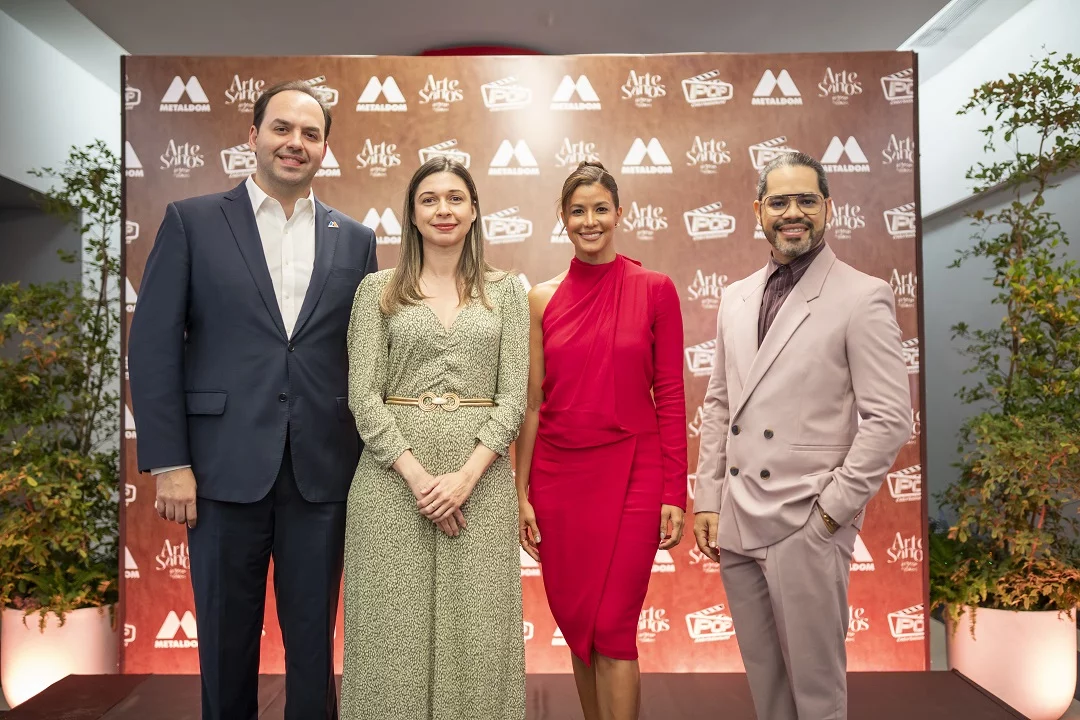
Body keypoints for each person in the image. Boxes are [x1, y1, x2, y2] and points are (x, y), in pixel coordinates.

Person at [128, 80, 377, 720]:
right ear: (253, 137)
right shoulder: (193, 221)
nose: (295, 143)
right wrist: (169, 462)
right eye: (282, 129)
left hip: (321, 473)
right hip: (218, 470)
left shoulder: (354, 240)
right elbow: (153, 348)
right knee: (224, 643)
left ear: (326, 148)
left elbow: (362, 355)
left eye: (311, 134)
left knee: (315, 656)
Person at [693, 152, 912, 720]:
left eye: (806, 200)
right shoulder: (735, 295)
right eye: (780, 201)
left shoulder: (862, 296)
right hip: (737, 523)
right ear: (758, 211)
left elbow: (890, 419)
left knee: (816, 698)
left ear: (828, 209)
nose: (793, 213)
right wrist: (708, 499)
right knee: (768, 693)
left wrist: (830, 515)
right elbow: (719, 403)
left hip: (806, 522)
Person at [340, 156, 529, 719]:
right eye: (429, 199)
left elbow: (514, 396)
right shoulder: (377, 291)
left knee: (477, 636)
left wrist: (465, 478)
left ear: (473, 212)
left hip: (482, 486)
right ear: (412, 214)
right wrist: (420, 478)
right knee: (388, 636)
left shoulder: (507, 292)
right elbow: (362, 395)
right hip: (391, 486)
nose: (443, 209)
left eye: (455, 198)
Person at [515, 161, 687, 720]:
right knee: (578, 624)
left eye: (600, 209)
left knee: (613, 625)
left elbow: (671, 395)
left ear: (620, 213)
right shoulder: (540, 299)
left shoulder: (655, 290)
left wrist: (672, 493)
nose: (590, 221)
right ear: (562, 219)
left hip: (634, 474)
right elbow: (532, 402)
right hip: (559, 480)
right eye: (577, 211)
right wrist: (521, 493)